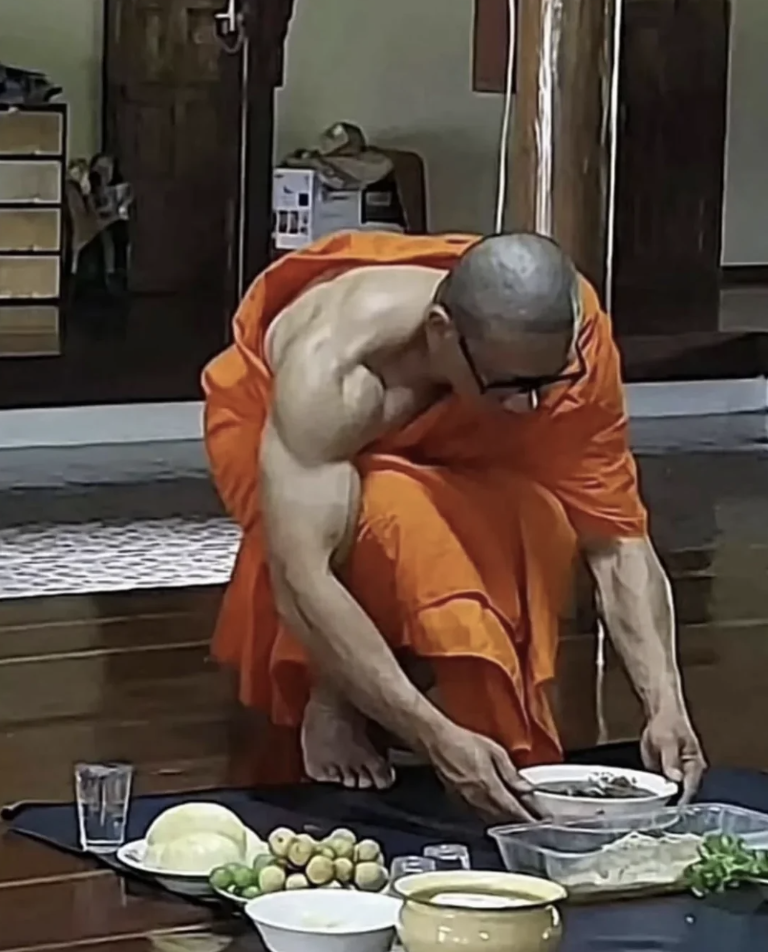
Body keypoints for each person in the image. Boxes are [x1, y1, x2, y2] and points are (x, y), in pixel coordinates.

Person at [203, 230, 706, 819]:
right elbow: (303, 579)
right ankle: (337, 697)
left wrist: (665, 703)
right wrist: (433, 736)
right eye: (513, 386)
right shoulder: (332, 370)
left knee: (533, 521)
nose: (531, 410)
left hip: (458, 416)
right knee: (392, 520)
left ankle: (369, 694)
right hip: (284, 426)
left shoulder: (572, 344)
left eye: (549, 383)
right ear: (442, 331)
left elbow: (617, 537)